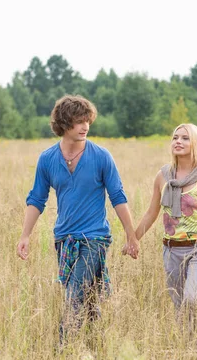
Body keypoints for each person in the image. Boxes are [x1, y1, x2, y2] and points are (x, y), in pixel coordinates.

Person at [17, 95, 139, 346]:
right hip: (64, 239)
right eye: (78, 121)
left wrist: (131, 235)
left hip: (95, 238)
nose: (85, 126)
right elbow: (37, 198)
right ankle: (97, 348)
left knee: (74, 295)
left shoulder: (102, 156)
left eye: (87, 121)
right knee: (89, 299)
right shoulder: (48, 159)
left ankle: (63, 352)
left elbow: (117, 196)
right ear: (64, 123)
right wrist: (25, 235)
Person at [126, 123, 197, 333]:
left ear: (195, 143)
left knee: (192, 299)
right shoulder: (163, 176)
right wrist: (133, 239)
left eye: (185, 138)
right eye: (175, 137)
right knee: (180, 305)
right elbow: (152, 213)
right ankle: (189, 348)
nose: (178, 141)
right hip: (171, 250)